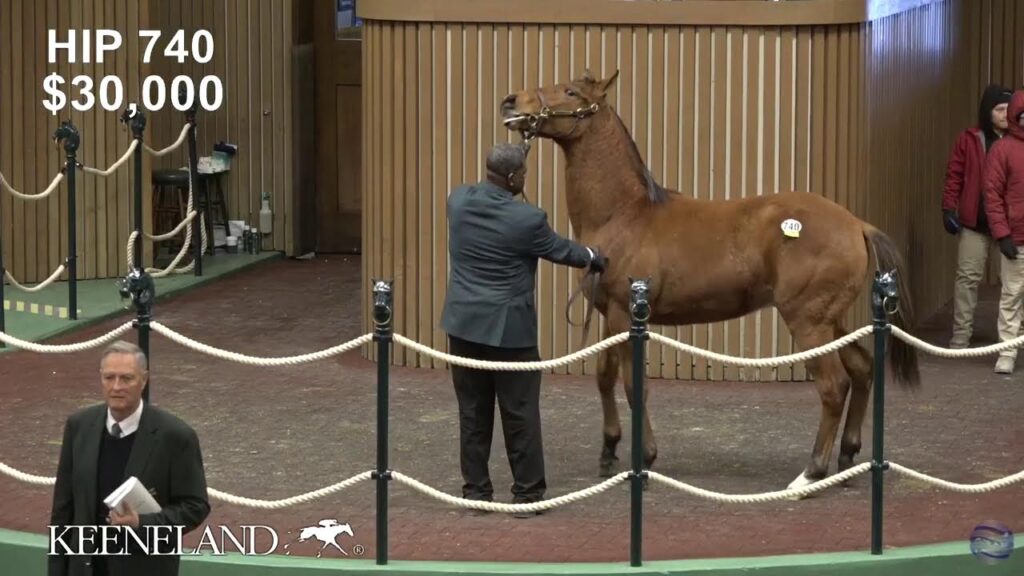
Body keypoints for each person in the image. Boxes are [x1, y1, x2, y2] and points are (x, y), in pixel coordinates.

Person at [441, 142, 607, 517]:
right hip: (508, 334)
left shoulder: (459, 201)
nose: (526, 179)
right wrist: (595, 257)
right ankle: (528, 494)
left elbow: (485, 188)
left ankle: (476, 494)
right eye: (524, 174)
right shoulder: (527, 220)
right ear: (515, 178)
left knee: (472, 413)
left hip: (463, 327)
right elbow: (563, 251)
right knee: (520, 414)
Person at [48, 340, 210, 576]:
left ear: (143, 381)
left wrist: (142, 524)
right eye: (109, 377)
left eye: (126, 378)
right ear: (100, 378)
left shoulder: (175, 436)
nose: (116, 386)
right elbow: (63, 509)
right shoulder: (79, 426)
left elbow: (195, 506)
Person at [941, 84, 1012, 349]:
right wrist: (948, 208)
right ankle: (961, 335)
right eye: (999, 109)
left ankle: (1014, 336)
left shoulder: (1019, 140)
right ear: (987, 111)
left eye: (1009, 109)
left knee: (1014, 283)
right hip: (975, 224)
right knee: (967, 279)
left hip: (1011, 225)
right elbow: (954, 175)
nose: (1005, 114)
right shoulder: (970, 139)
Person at [983, 89, 1024, 375]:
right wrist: (1002, 235)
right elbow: (992, 195)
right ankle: (1007, 350)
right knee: (1012, 295)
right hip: (1016, 238)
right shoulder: (1002, 150)